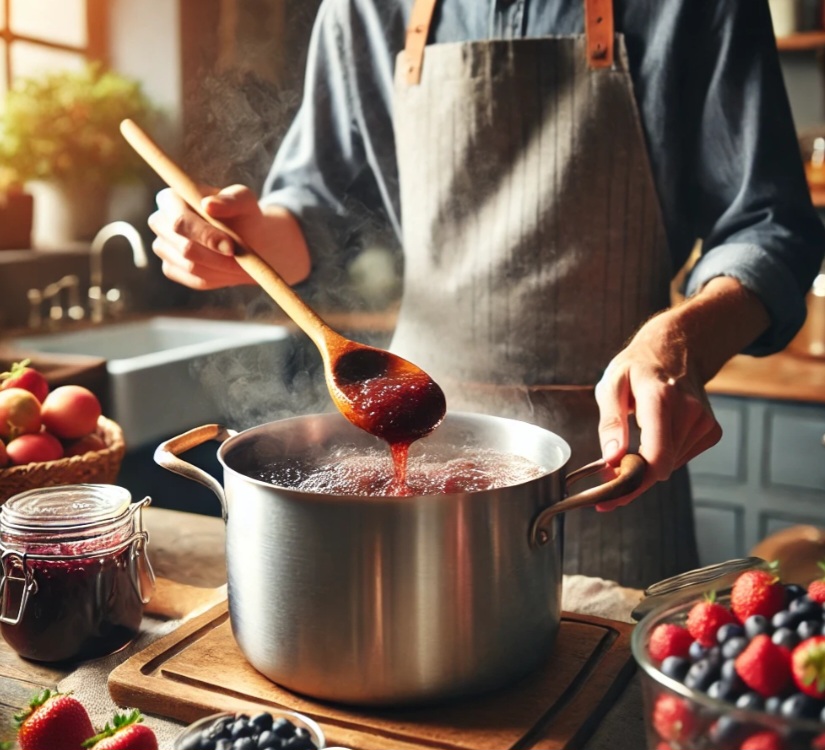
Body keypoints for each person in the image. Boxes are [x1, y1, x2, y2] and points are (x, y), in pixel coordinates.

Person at [148, 0, 825, 589]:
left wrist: (679, 340)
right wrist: (249, 238)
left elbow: (772, 226)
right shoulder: (363, 7)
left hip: (612, 466)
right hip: (411, 447)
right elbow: (318, 213)